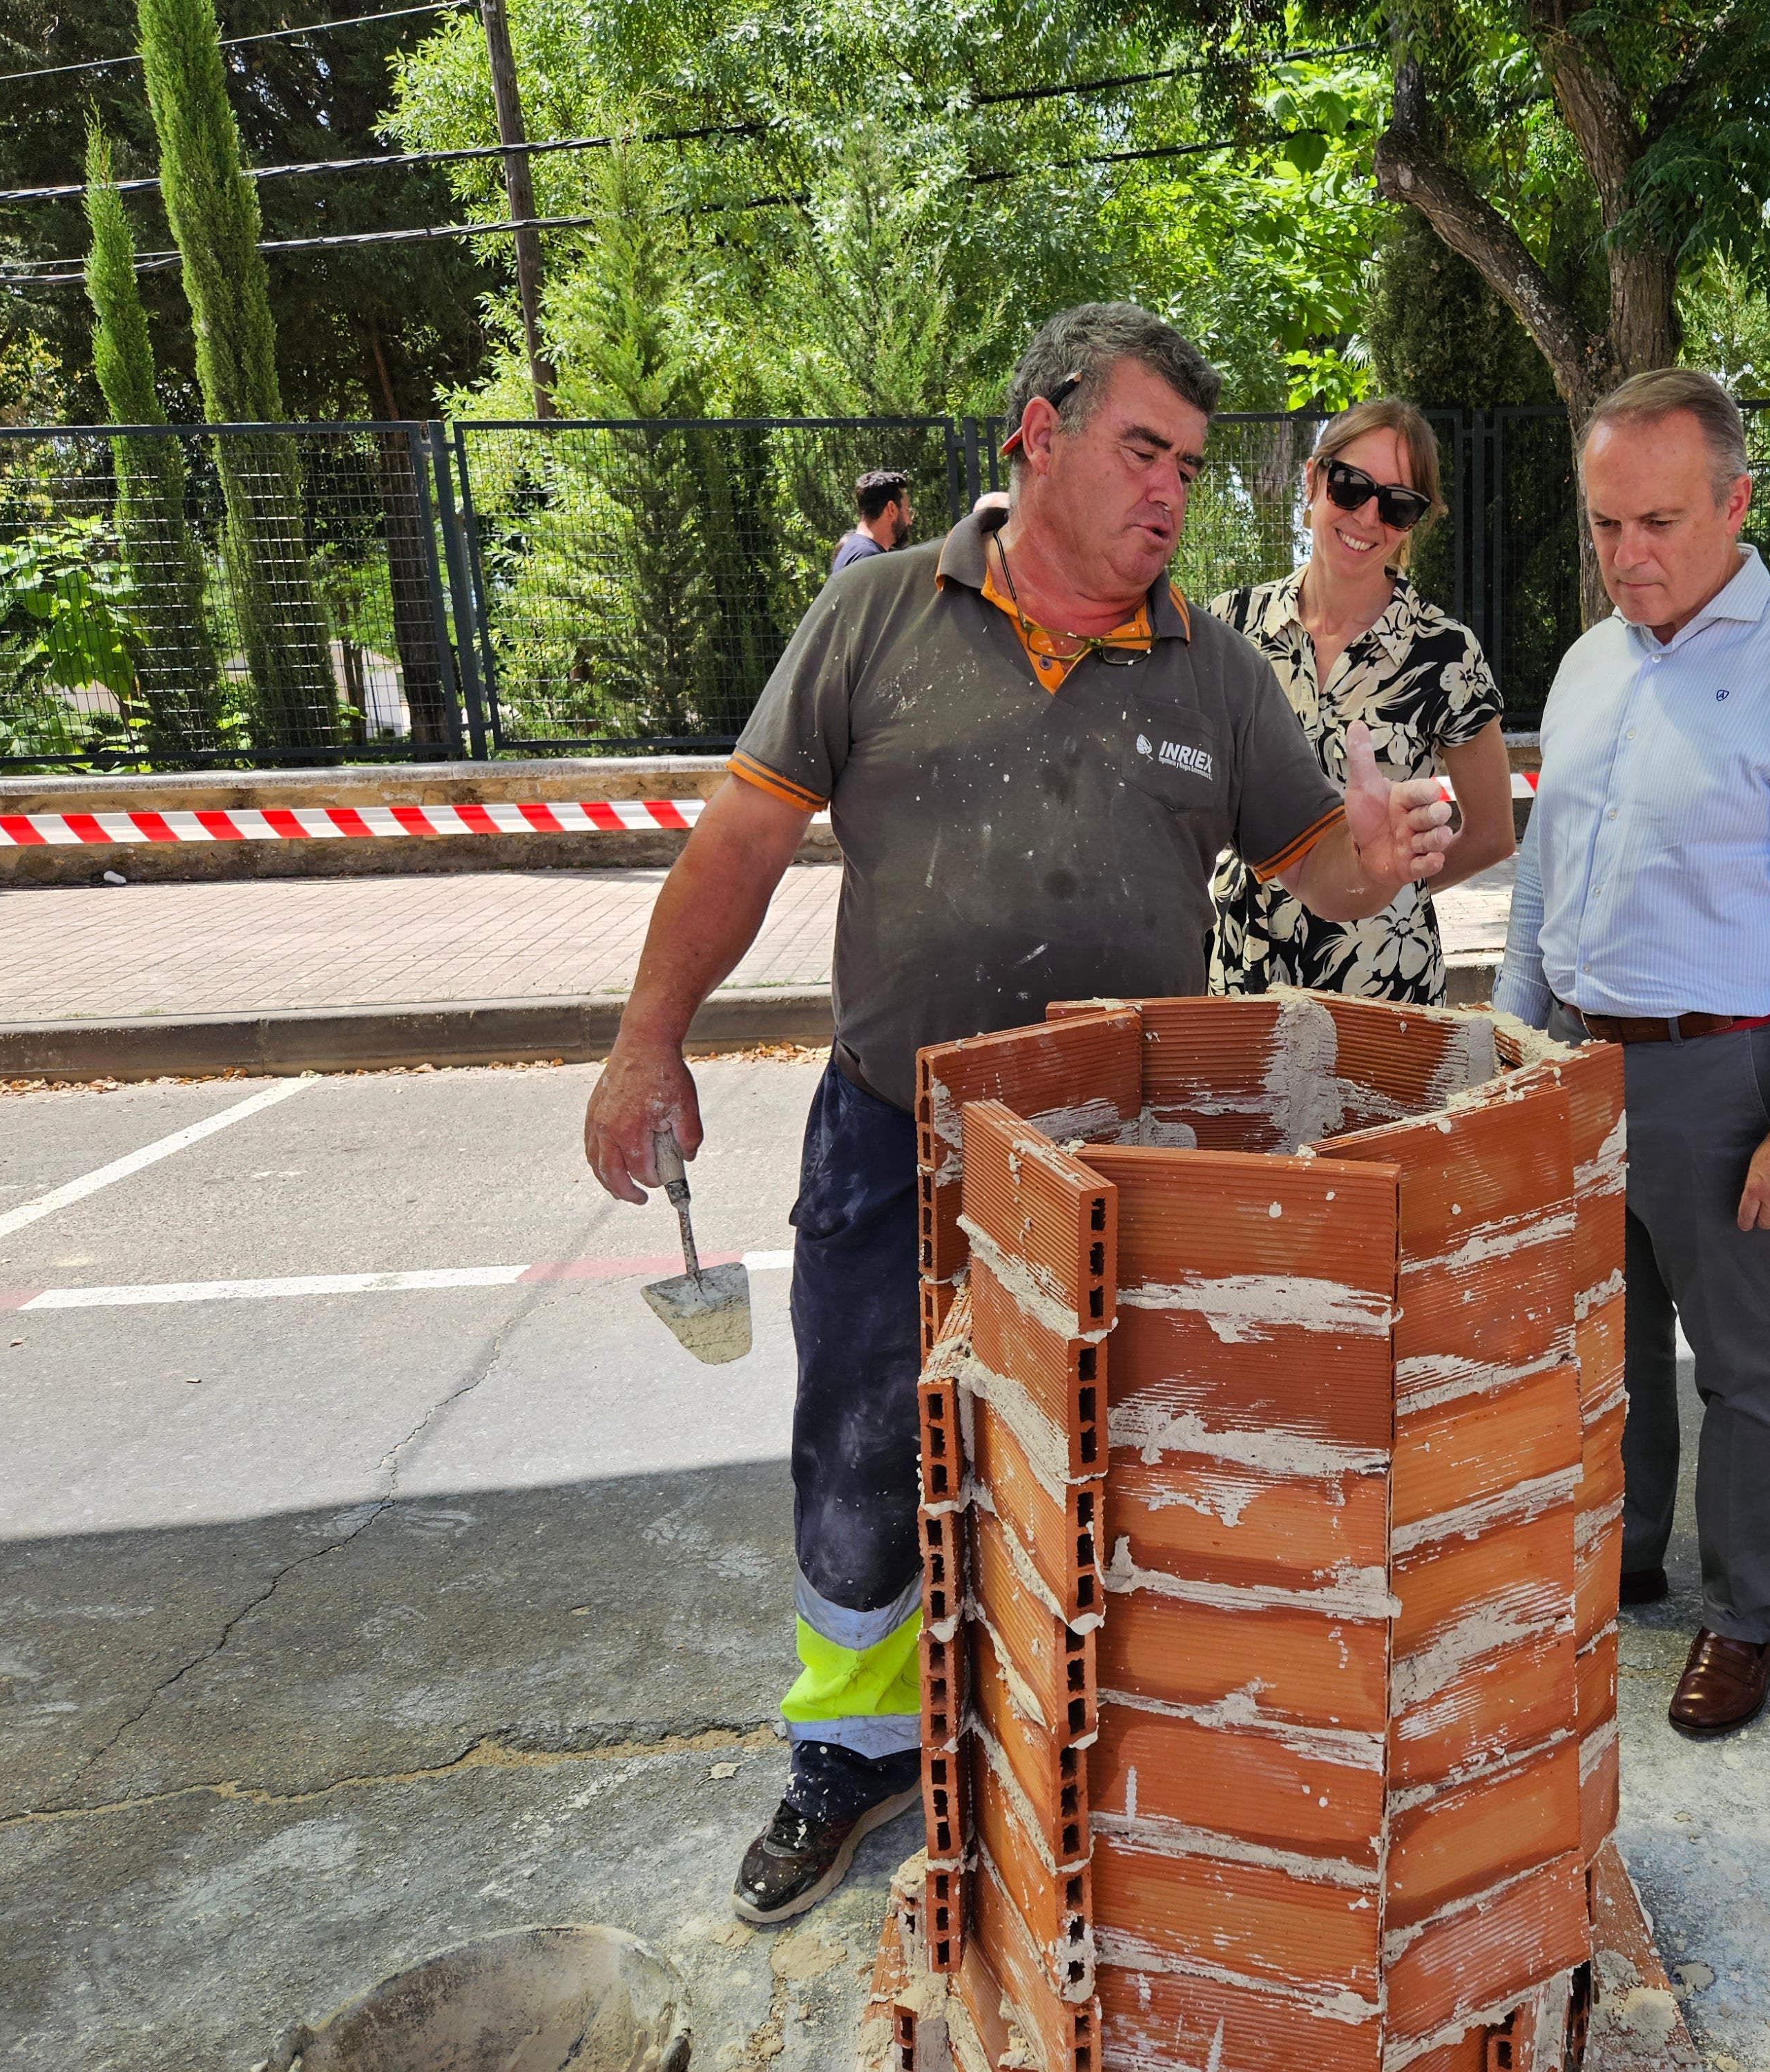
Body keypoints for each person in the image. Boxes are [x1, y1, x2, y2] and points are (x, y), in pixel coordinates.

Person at [581, 303, 1458, 1925]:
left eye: (1190, 467)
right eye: (1142, 450)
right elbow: (737, 846)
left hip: (1117, 1171)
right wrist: (647, 1042)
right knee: (858, 1456)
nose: (1170, 494)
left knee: (1105, 1466)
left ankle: (1083, 1738)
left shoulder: (1211, 663)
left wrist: (1376, 856)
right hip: (888, 1132)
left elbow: (1314, 864)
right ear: (1035, 435)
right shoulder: (871, 617)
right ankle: (851, 1755)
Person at [1495, 369, 1770, 1738]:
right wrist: (1516, 1042)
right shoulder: (1587, 662)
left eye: (1658, 522)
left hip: (1726, 1074)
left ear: (1735, 502)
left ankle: (1744, 1621)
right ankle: (1622, 1558)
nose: (1628, 556)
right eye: (1605, 526)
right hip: (1581, 1064)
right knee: (1598, 1347)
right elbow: (1546, 870)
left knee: (1740, 1364)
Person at [1206, 399, 1517, 1000]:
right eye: (1351, 487)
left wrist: (1388, 877)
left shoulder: (1445, 654)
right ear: (1314, 479)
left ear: (1413, 524)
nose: (1368, 517)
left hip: (1382, 984)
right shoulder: (1231, 627)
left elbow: (1493, 834)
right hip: (1244, 975)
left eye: (1398, 505)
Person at [829, 470, 914, 572]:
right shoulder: (867, 557)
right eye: (907, 511)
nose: (910, 522)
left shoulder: (856, 549)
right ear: (892, 509)